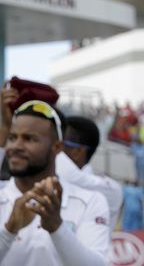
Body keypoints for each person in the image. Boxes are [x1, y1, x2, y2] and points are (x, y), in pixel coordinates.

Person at [0, 100, 110, 265]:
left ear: (57, 147)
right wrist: (8, 231)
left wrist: (56, 228)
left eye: (29, 139)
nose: (16, 146)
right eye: (12, 137)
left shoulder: (89, 202)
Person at [58, 115, 124, 230]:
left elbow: (71, 176)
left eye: (59, 144)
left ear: (78, 152)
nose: (55, 148)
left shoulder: (110, 190)